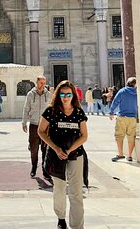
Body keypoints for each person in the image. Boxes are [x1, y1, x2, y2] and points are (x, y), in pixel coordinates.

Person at [38, 80, 88, 229]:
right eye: (62, 94)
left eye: (68, 94)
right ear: (58, 95)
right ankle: (61, 218)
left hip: (75, 154)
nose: (65, 97)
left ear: (73, 95)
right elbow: (40, 131)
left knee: (76, 192)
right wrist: (56, 148)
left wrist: (69, 149)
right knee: (59, 189)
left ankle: (77, 226)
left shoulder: (79, 112)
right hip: (56, 155)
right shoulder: (51, 111)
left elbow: (84, 136)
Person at [21, 75, 52, 179]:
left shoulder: (49, 95)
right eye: (41, 82)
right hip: (34, 125)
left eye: (44, 82)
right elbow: (26, 109)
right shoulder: (30, 94)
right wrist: (24, 122)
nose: (42, 84)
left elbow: (52, 109)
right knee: (34, 149)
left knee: (45, 149)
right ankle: (34, 167)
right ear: (36, 82)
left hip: (45, 126)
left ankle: (45, 170)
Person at [109, 77, 138, 162]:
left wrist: (111, 112)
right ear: (135, 84)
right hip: (133, 118)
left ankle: (121, 154)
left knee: (119, 136)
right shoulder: (138, 92)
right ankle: (129, 156)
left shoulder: (122, 91)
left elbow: (115, 101)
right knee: (131, 137)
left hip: (122, 117)